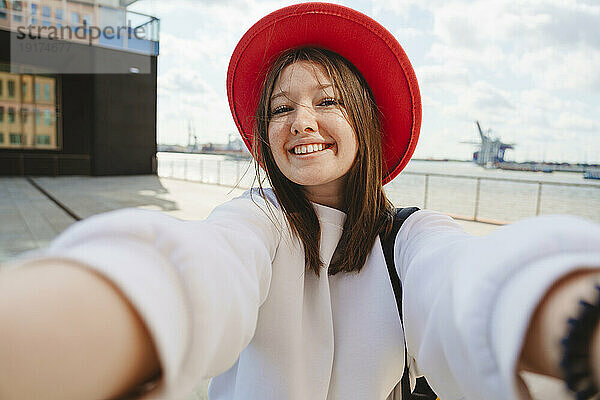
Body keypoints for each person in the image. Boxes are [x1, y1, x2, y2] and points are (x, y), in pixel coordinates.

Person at [1, 3, 599, 400]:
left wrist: (577, 323)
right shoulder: (255, 223)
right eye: (281, 107)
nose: (301, 121)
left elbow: (471, 286)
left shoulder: (411, 238)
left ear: (364, 120)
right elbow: (192, 273)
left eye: (327, 101)